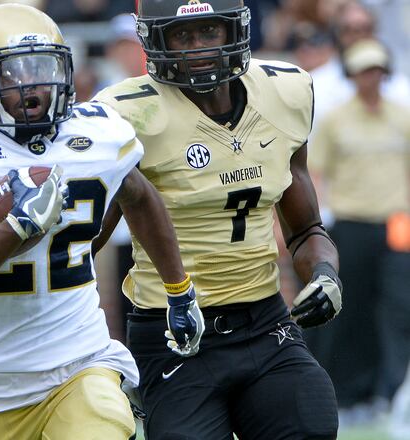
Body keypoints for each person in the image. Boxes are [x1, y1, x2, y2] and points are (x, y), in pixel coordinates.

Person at [0, 4, 203, 439]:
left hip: (82, 362)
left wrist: (178, 289)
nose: (34, 85)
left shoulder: (97, 134)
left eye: (43, 68)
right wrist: (17, 228)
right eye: (13, 72)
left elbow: (140, 196)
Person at [93, 1, 342, 438]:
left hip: (265, 322)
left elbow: (305, 230)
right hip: (173, 329)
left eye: (209, 31)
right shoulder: (127, 114)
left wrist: (325, 275)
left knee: (311, 424)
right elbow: (87, 243)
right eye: (182, 35)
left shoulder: (284, 93)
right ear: (155, 39)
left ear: (234, 30)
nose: (198, 48)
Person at [308, 38, 410, 423]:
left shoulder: (402, 117)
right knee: (349, 309)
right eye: (365, 71)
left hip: (397, 222)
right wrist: (320, 219)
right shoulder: (337, 120)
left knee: (398, 306)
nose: (372, 78)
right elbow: (316, 172)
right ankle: (346, 391)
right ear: (353, 76)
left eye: (377, 71)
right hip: (350, 221)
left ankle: (387, 390)